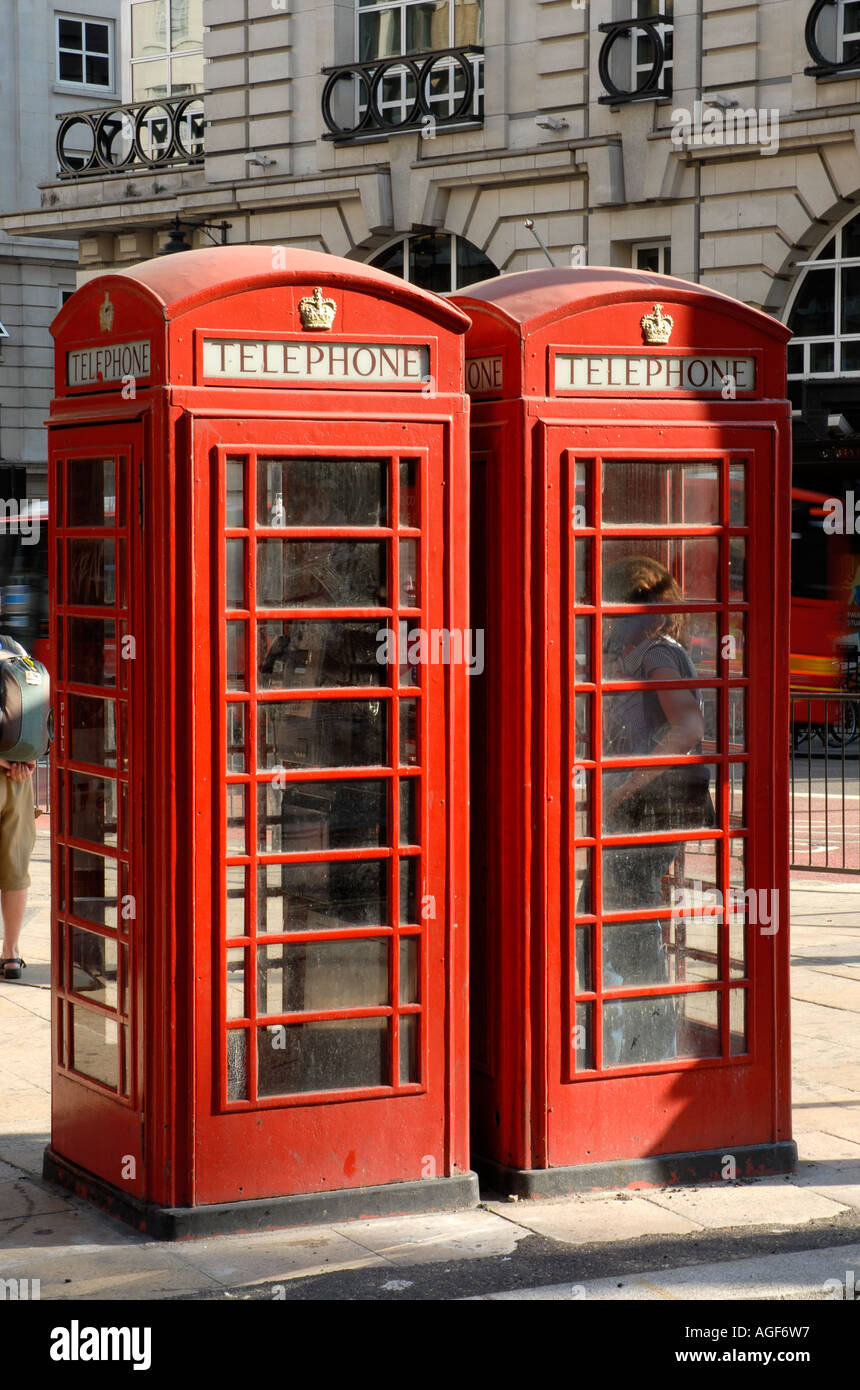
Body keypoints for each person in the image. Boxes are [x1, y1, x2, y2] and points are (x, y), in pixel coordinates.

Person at [599, 556, 714, 1065]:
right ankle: (633, 1031)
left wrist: (624, 784)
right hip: (642, 806)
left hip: (656, 807)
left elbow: (687, 728)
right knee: (615, 910)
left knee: (633, 913)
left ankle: (653, 1039)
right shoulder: (637, 653)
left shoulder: (657, 655)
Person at [0, 635, 38, 981]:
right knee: (15, 868)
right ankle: (10, 954)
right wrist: (26, 761)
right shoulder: (16, 650)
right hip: (18, 778)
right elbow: (34, 714)